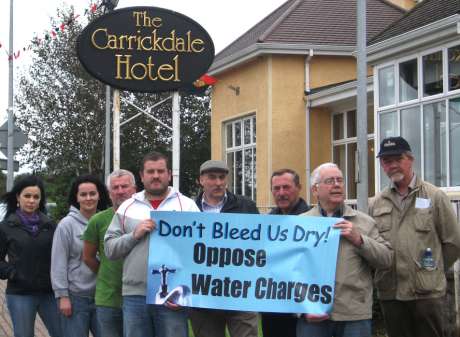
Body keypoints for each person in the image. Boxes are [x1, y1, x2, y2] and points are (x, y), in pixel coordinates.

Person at [369, 136, 460, 337]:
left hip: (427, 295)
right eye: (386, 161)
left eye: (397, 159)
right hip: (391, 293)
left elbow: (453, 243)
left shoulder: (434, 196)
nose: (392, 165)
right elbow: (373, 245)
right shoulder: (376, 203)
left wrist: (430, 271)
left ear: (410, 159)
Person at [104, 151, 199, 337]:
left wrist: (187, 292)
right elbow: (109, 249)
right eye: (150, 171)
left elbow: (199, 253)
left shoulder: (187, 206)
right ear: (141, 176)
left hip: (173, 295)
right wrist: (134, 235)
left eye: (161, 171)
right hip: (135, 296)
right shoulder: (127, 207)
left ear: (169, 174)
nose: (156, 176)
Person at [298, 163, 392, 337]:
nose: (336, 184)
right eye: (330, 181)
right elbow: (289, 271)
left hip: (354, 316)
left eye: (340, 180)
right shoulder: (301, 224)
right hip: (312, 314)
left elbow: (386, 260)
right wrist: (301, 310)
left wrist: (360, 240)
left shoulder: (364, 222)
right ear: (315, 190)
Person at [189, 159, 259, 337]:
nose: (218, 183)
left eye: (222, 177)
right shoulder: (188, 209)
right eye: (212, 177)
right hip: (203, 293)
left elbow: (259, 245)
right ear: (201, 180)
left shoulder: (246, 206)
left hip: (240, 291)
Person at [0, 175, 61, 337]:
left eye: (36, 197)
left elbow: (59, 256)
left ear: (41, 200)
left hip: (49, 293)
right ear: (18, 197)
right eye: (27, 196)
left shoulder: (50, 225)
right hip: (20, 293)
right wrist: (13, 273)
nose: (31, 200)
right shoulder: (6, 227)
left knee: (62, 332)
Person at [51, 174, 110, 337]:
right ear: (76, 197)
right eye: (83, 194)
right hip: (76, 297)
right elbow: (58, 263)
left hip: (103, 296)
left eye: (93, 193)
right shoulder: (66, 225)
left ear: (100, 195)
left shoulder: (108, 221)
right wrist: (62, 296)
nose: (88, 198)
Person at [82, 169, 137, 337]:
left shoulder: (146, 218)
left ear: (134, 190)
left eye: (125, 186)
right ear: (109, 193)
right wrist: (106, 272)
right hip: (108, 298)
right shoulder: (97, 221)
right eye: (115, 187)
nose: (120, 191)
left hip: (138, 298)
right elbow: (88, 257)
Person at [261, 168, 311, 337]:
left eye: (286, 187)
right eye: (276, 188)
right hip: (272, 305)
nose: (281, 193)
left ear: (299, 188)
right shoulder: (266, 223)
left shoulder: (315, 221)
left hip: (303, 306)